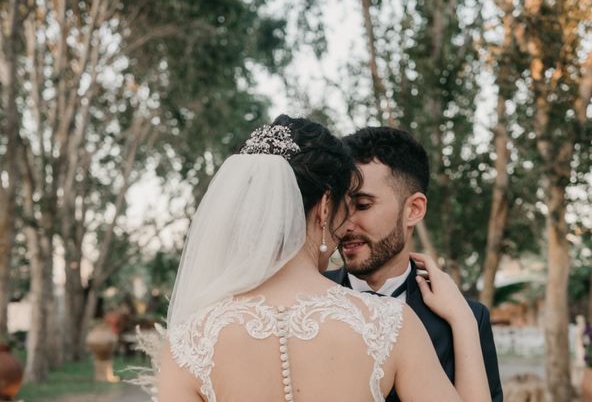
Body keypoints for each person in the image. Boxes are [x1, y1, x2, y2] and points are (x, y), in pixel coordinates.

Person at [148, 115, 491, 402]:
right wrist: (463, 320)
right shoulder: (391, 324)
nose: (348, 224)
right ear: (326, 205)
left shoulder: (188, 340)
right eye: (346, 204)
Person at [325, 126, 503, 402]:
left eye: (362, 205)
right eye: (339, 207)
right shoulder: (306, 304)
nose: (344, 224)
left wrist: (463, 322)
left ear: (414, 210)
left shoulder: (467, 317)